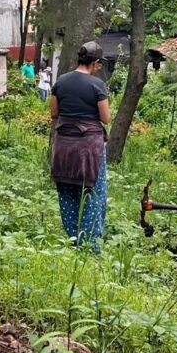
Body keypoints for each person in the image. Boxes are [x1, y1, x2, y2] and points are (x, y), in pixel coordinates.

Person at [50, 42, 110, 251]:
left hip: (63, 146)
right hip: (89, 149)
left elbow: (54, 113)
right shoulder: (97, 85)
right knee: (93, 194)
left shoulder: (61, 82)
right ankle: (90, 245)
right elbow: (106, 118)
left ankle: (73, 240)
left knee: (67, 191)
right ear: (96, 63)